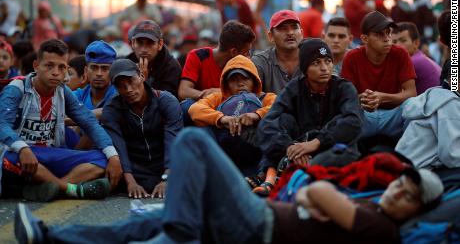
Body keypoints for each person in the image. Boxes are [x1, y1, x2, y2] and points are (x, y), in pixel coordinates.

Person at [13, 127, 444, 244]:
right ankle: (52, 237)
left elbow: (319, 194)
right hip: (257, 221)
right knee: (146, 225)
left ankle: (182, 227)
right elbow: (318, 197)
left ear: (415, 210)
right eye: (401, 184)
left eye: (409, 196)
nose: (397, 191)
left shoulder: (382, 229)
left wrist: (322, 198)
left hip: (258, 225)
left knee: (193, 140)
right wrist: (321, 199)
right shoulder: (373, 209)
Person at [0, 39, 122, 201]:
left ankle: (52, 187)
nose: (56, 72)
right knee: (9, 158)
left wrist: (113, 155)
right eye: (49, 66)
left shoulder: (62, 91)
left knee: (103, 159)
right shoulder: (16, 89)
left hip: (50, 154)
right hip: (21, 156)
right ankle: (72, 189)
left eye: (62, 67)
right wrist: (22, 148)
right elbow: (2, 124)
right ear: (36, 66)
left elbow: (88, 122)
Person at [255, 38, 363, 195]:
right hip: (299, 146)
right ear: (305, 68)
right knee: (282, 122)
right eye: (316, 63)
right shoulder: (295, 87)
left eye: (327, 61)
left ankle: (283, 178)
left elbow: (353, 122)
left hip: (332, 147)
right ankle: (269, 179)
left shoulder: (344, 87)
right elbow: (268, 123)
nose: (324, 68)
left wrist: (316, 143)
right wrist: (289, 147)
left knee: (341, 123)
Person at [101, 59, 183, 198]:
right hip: (135, 168)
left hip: (166, 165)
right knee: (104, 167)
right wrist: (130, 182)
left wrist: (166, 179)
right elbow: (118, 145)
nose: (129, 90)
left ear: (142, 76)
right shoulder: (112, 109)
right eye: (122, 86)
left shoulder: (166, 101)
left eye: (131, 81)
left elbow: (173, 142)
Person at [188, 55, 276, 174]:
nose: (240, 84)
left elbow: (278, 107)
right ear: (226, 83)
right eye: (234, 80)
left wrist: (257, 115)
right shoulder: (218, 97)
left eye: (245, 78)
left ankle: (264, 175)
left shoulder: (266, 97)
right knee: (202, 130)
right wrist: (222, 118)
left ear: (254, 80)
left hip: (255, 153)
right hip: (224, 152)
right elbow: (195, 109)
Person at [395, 10, 459, 169]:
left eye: (402, 40)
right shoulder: (449, 102)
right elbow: (453, 156)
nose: (396, 46)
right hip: (417, 174)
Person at [341, 11, 416, 140]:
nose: (387, 38)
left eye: (388, 32)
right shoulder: (351, 57)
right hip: (364, 115)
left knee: (414, 106)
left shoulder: (400, 53)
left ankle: (409, 157)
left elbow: (412, 93)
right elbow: (346, 97)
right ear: (365, 38)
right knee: (344, 111)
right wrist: (365, 98)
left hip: (393, 116)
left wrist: (382, 97)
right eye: (379, 34)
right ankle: (347, 153)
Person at [178, 21, 255, 123]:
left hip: (229, 114)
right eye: (246, 52)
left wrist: (220, 93)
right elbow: (183, 91)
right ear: (233, 52)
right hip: (203, 113)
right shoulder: (198, 56)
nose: (249, 57)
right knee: (186, 106)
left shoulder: (244, 66)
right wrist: (207, 94)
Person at [251, 10, 303, 94]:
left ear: (301, 33)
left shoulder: (312, 59)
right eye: (283, 28)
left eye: (294, 27)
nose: (290, 32)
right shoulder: (260, 63)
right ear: (271, 36)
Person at [127, 20, 182, 98]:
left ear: (160, 44)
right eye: (139, 42)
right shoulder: (127, 63)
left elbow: (167, 103)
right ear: (133, 43)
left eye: (150, 43)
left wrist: (144, 82)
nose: (144, 49)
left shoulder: (171, 67)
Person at [392, 22, 441, 94]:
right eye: (394, 42)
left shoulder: (413, 62)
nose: (397, 45)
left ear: (416, 43)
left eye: (403, 41)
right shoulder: (420, 57)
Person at [73, 41, 117, 111]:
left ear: (113, 71)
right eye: (94, 68)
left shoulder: (120, 96)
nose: (99, 73)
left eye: (105, 68)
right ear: (86, 71)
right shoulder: (78, 96)